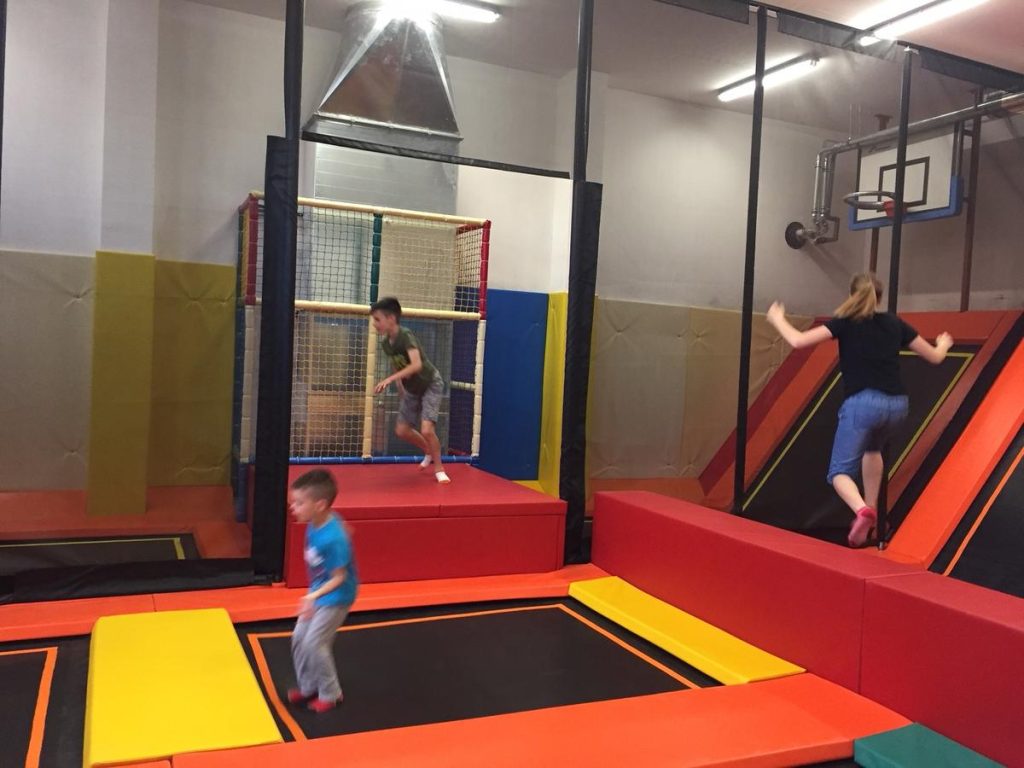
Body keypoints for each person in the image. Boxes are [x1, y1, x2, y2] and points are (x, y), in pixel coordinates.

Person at [766, 273, 953, 547]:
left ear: (851, 295)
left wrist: (777, 318)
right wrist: (944, 344)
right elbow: (935, 357)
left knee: (838, 473)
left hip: (864, 404)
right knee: (873, 450)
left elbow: (798, 341)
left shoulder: (845, 322)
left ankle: (862, 511)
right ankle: (871, 512)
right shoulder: (894, 323)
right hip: (897, 405)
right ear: (880, 298)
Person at [287, 469, 358, 713]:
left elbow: (340, 578)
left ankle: (331, 693)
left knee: (315, 642)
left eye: (299, 503)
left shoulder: (332, 539)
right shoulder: (320, 519)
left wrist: (312, 597)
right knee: (299, 638)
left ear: (319, 505)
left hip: (337, 595)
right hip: (318, 589)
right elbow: (338, 520)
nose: (293, 508)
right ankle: (309, 687)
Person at [370, 296, 451, 483]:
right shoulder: (386, 344)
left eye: (377, 319)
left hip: (430, 383)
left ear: (391, 318)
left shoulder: (405, 336)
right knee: (402, 430)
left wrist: (390, 380)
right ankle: (428, 450)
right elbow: (397, 365)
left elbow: (416, 365)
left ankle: (439, 468)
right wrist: (400, 387)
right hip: (412, 389)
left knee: (427, 430)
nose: (374, 324)